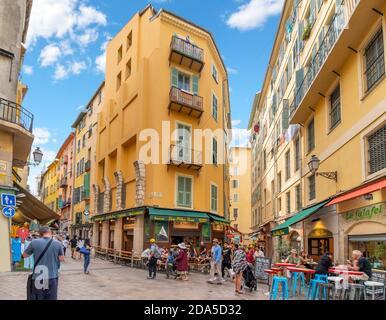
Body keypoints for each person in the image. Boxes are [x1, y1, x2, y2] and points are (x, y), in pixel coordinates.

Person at [23, 226, 64, 300]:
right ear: (50, 232)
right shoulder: (58, 243)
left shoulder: (34, 242)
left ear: (40, 234)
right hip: (52, 276)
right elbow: (61, 259)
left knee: (38, 297)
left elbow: (25, 255)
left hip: (38, 277)